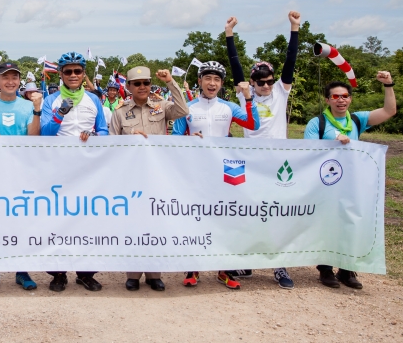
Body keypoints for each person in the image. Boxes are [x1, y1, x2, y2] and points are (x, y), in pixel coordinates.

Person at [225, 11, 300, 289]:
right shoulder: (246, 95)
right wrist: (229, 34)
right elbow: (236, 67)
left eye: (269, 80)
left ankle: (279, 266)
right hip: (251, 161)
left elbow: (290, 59)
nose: (266, 85)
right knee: (249, 210)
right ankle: (247, 260)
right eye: (261, 82)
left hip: (279, 162)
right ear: (253, 83)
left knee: (278, 213)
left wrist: (294, 28)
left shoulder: (282, 90)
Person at [172, 60, 258, 290]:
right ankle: (193, 268)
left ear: (221, 83)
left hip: (225, 169)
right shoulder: (187, 107)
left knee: (225, 219)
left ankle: (224, 270)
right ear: (199, 81)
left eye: (217, 79)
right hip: (196, 170)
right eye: (208, 78)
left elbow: (253, 123)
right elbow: (175, 137)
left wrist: (249, 99)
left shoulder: (228, 107)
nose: (212, 83)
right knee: (196, 217)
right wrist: (188, 140)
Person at [304, 74, 396, 289]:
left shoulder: (357, 120)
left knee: (351, 223)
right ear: (327, 100)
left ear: (350, 99)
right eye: (335, 96)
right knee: (327, 225)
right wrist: (333, 145)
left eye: (345, 96)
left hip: (353, 183)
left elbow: (389, 112)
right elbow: (306, 153)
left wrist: (388, 85)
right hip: (326, 184)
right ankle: (325, 269)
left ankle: (347, 270)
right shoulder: (317, 123)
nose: (340, 100)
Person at [109, 66, 188, 292]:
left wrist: (171, 83)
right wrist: (128, 137)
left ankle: (154, 274)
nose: (142, 87)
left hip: (157, 175)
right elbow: (111, 144)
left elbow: (183, 110)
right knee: (133, 226)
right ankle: (133, 274)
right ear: (129, 87)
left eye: (146, 83)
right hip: (131, 176)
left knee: (156, 224)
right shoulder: (120, 112)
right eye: (137, 84)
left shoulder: (161, 107)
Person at [40, 52, 108, 292]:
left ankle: (85, 272)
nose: (72, 75)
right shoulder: (52, 100)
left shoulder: (94, 100)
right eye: (67, 71)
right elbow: (45, 134)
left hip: (87, 169)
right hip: (59, 169)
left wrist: (96, 136)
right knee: (57, 220)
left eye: (77, 71)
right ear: (60, 74)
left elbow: (104, 131)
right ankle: (58, 272)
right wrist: (60, 114)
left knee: (87, 220)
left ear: (83, 74)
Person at [0, 62, 43, 292]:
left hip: (21, 171)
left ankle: (21, 270)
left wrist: (36, 110)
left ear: (19, 81)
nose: (10, 81)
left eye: (14, 77)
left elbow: (33, 138)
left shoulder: (26, 106)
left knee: (21, 221)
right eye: (5, 77)